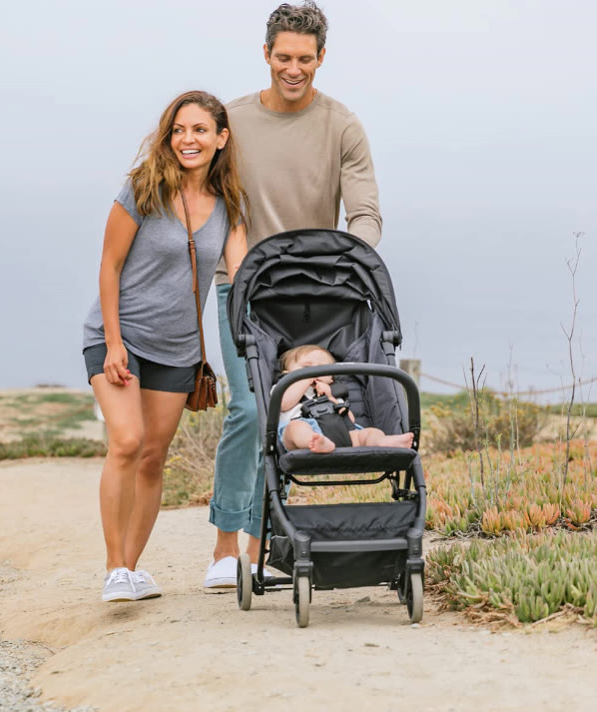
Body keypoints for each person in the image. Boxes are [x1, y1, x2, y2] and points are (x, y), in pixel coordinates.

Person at [204, 1, 383, 589]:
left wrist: (351, 263)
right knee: (252, 408)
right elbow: (209, 204)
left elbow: (365, 214)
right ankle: (227, 547)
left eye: (305, 59)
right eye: (284, 57)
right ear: (266, 55)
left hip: (321, 293)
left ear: (321, 58)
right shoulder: (231, 120)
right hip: (246, 288)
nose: (294, 68)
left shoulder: (342, 125)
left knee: (302, 406)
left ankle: (263, 547)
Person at [83, 90, 247, 602]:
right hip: (120, 337)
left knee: (154, 455)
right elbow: (109, 266)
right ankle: (114, 569)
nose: (187, 139)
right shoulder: (143, 190)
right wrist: (113, 343)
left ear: (221, 138)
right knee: (128, 441)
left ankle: (132, 568)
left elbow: (240, 277)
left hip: (178, 351)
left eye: (199, 130)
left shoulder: (228, 207)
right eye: (179, 130)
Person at [276, 345, 414, 453]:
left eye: (322, 369)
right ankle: (316, 442)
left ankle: (383, 442)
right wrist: (303, 381)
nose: (314, 372)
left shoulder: (334, 392)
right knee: (295, 429)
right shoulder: (284, 387)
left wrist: (330, 397)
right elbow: (283, 404)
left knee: (369, 432)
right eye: (306, 368)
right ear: (287, 374)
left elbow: (349, 419)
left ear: (331, 377)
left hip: (343, 433)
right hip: (305, 427)